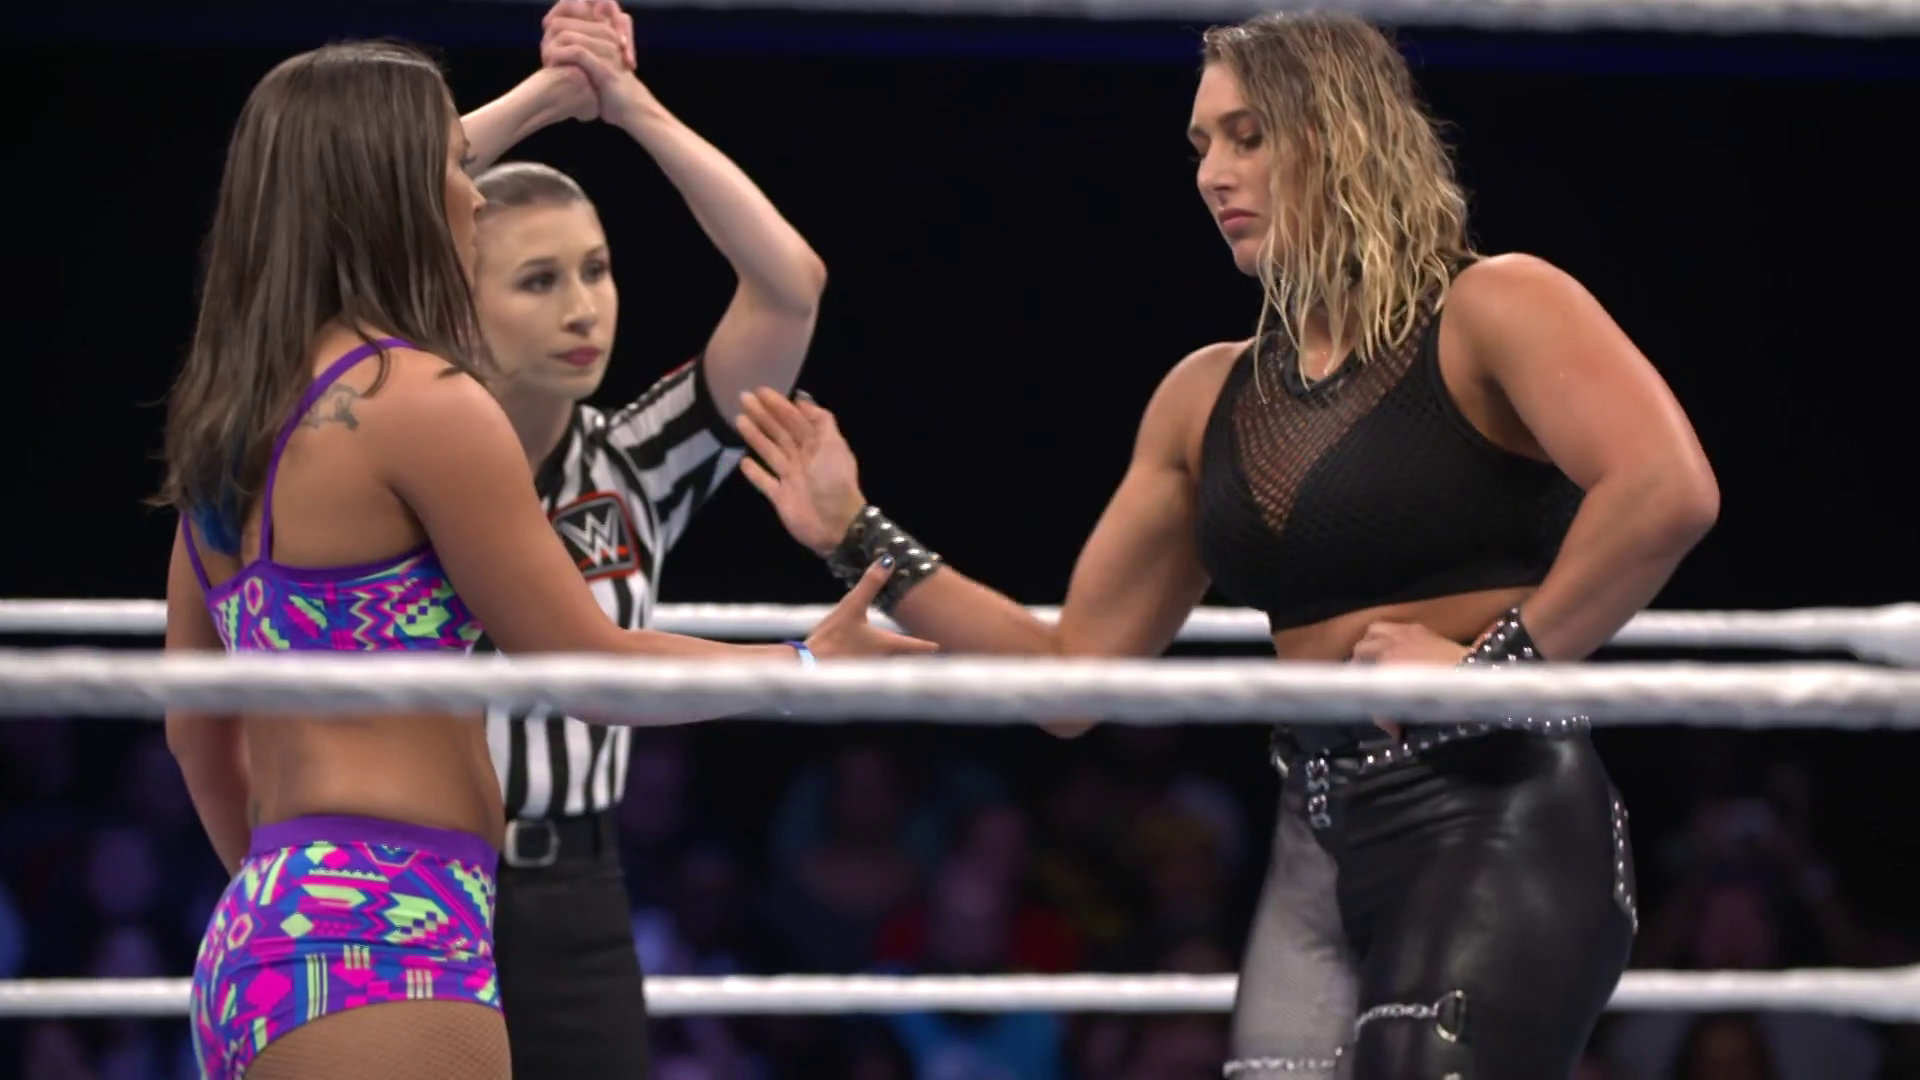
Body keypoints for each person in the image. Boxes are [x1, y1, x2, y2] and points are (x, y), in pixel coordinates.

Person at [732, 12, 1720, 1078]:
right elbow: (1071, 676)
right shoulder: (1205, 396)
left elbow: (1665, 490)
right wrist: (854, 531)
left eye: (1248, 136)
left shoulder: (1493, 306)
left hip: (1494, 812)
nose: (1214, 174)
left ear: (1341, 136)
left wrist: (1492, 675)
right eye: (1203, 145)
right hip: (1315, 837)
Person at [157, 39, 926, 1080]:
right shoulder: (421, 401)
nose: (473, 193)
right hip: (389, 931)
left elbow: (195, 730)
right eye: (452, 165)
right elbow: (584, 667)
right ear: (394, 193)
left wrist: (297, 903)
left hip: (268, 927)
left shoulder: (233, 418)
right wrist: (803, 668)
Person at [459, 5, 829, 1076]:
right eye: (539, 280)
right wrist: (542, 98)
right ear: (452, 299)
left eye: (597, 269)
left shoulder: (635, 461)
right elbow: (337, 209)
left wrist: (627, 105)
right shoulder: (384, 465)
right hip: (416, 879)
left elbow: (790, 287)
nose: (585, 309)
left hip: (580, 893)